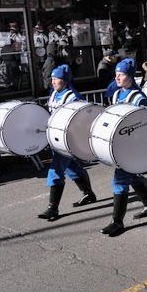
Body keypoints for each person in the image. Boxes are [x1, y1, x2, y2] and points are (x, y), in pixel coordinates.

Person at [101, 59, 147, 237]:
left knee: (119, 181)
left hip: (132, 147)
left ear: (130, 76)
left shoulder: (139, 98)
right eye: (116, 74)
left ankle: (116, 222)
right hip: (121, 144)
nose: (117, 78)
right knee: (133, 176)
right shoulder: (118, 94)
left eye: (121, 74)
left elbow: (146, 124)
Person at [37, 65, 96, 221]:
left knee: (55, 170)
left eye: (57, 79)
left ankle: (52, 209)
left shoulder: (72, 97)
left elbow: (81, 119)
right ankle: (89, 194)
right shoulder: (54, 94)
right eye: (53, 78)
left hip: (68, 140)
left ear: (65, 81)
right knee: (71, 167)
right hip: (56, 138)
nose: (53, 82)